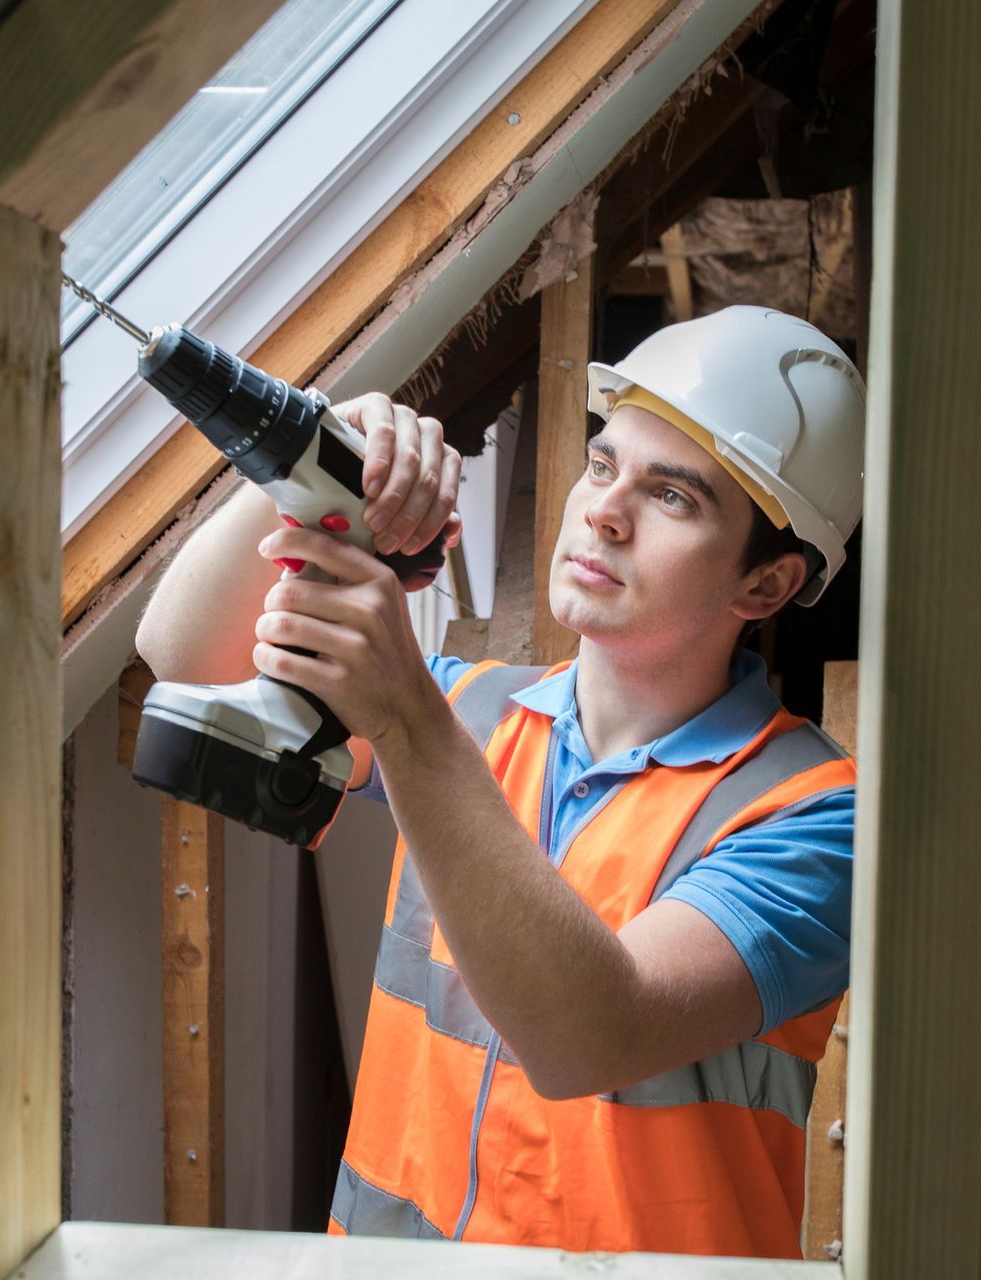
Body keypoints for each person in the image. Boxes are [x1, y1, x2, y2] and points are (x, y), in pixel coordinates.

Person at [136, 305, 866, 1258]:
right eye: (605, 465)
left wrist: (402, 716)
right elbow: (184, 656)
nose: (605, 509)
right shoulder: (474, 712)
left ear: (765, 586)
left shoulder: (817, 817)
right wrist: (320, 450)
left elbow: (589, 1035)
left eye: (674, 497)